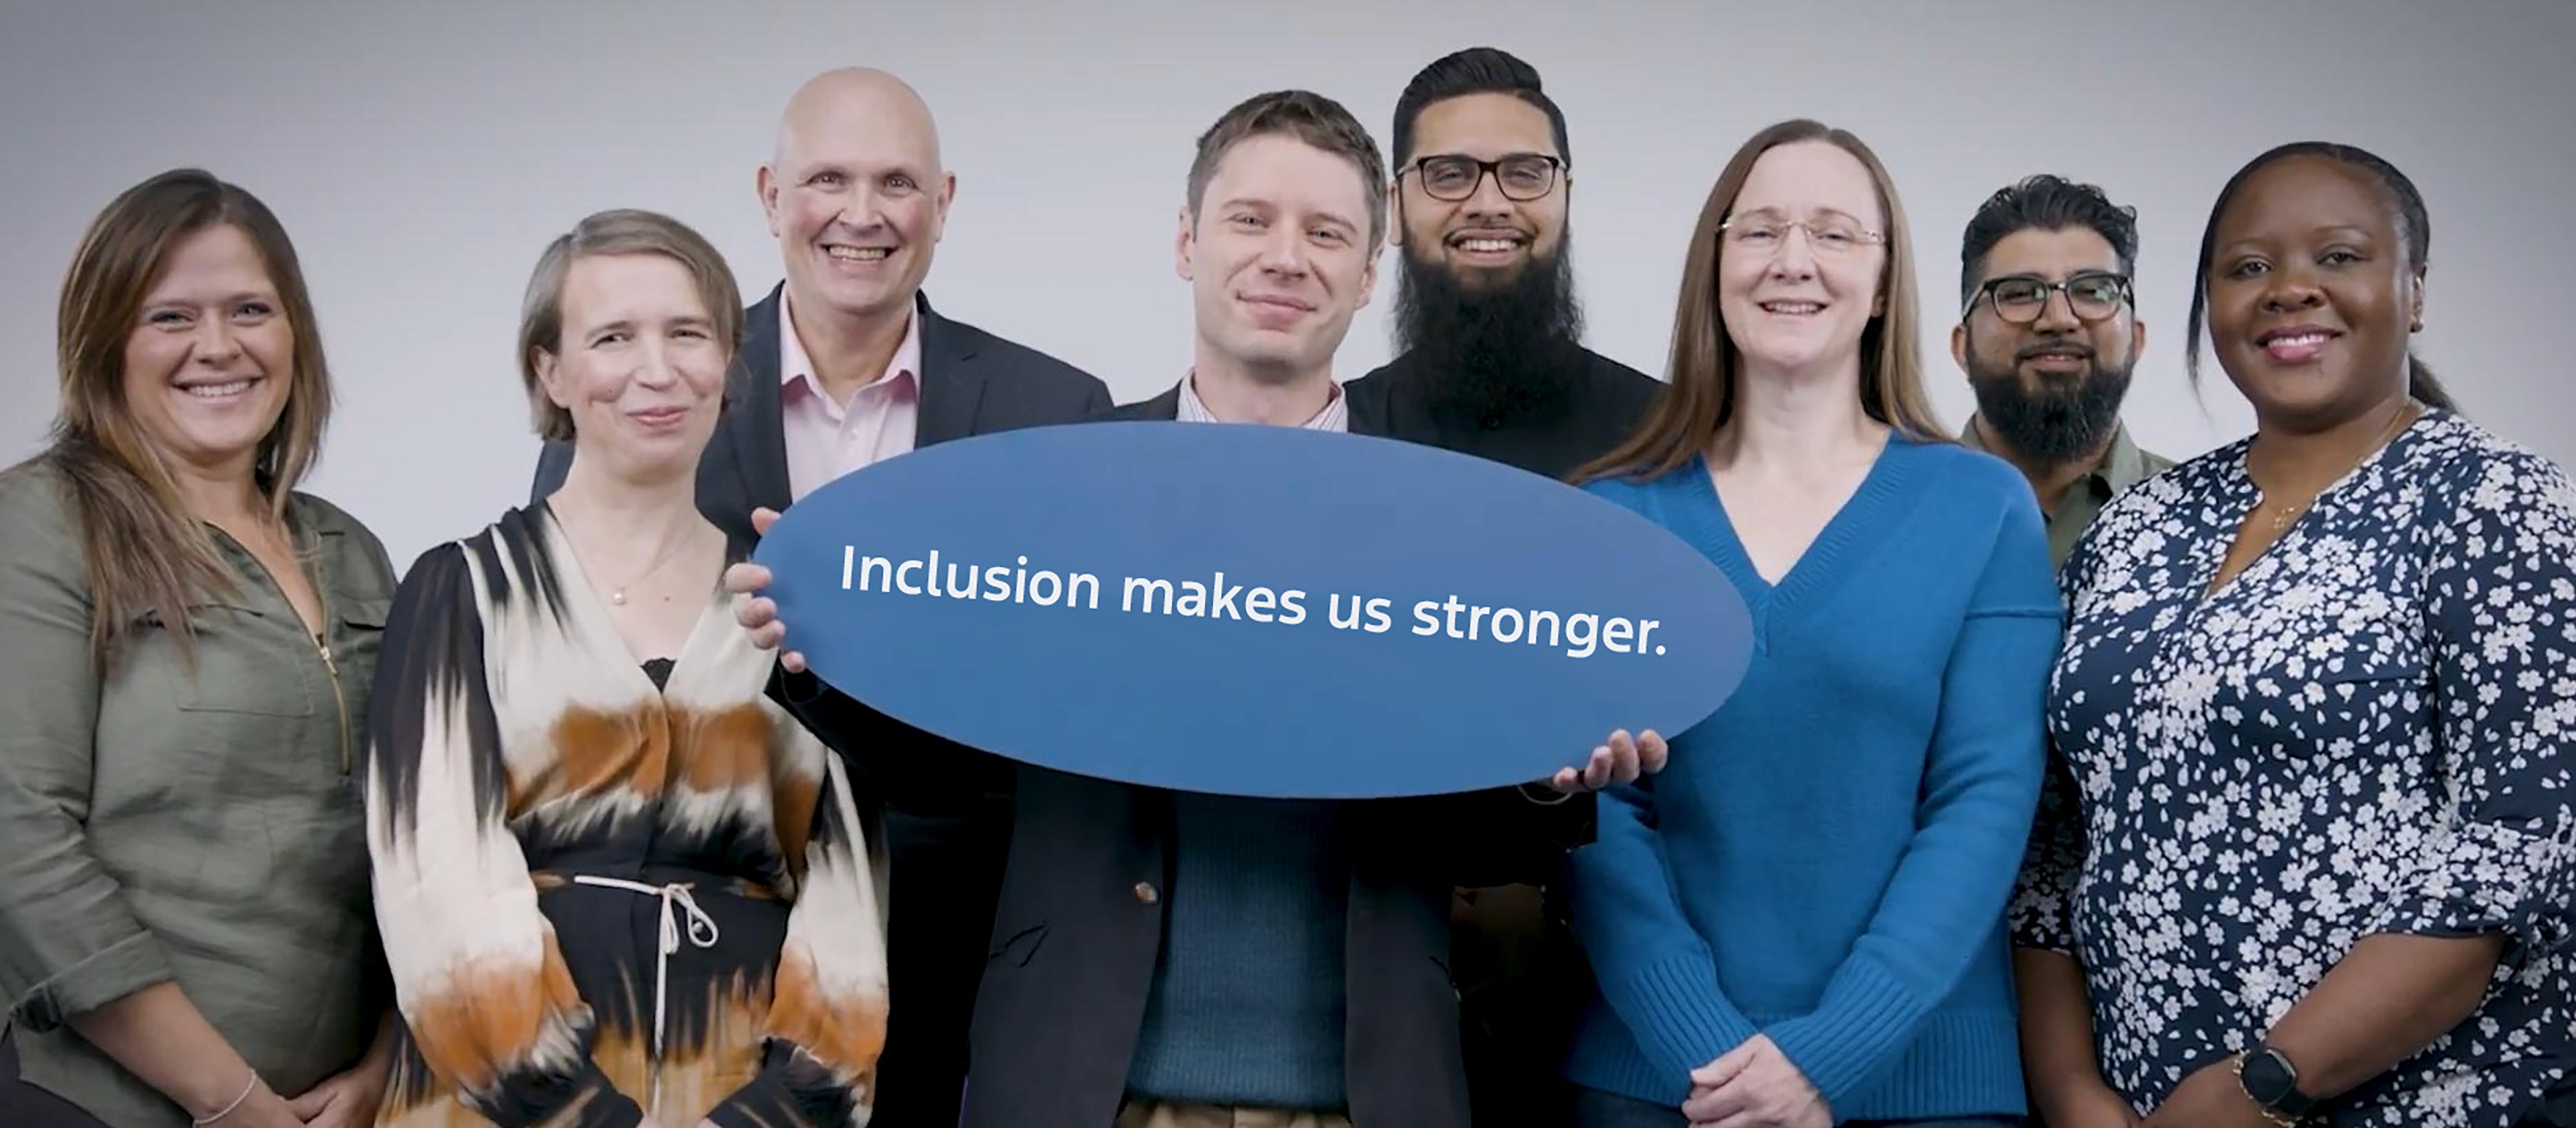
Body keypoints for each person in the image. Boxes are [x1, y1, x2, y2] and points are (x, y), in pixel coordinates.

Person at [725, 88, 1660, 1128]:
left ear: (1368, 269)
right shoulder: (1055, 485)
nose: (1284, 257)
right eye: (1250, 220)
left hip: (1366, 1091)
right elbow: (962, 771)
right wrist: (826, 654)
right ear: (1187, 240)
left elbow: (1471, 834)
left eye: (1326, 232)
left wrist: (1546, 777)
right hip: (1081, 1081)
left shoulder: (1450, 523)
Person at [525, 67, 1111, 1127]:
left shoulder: (1058, 413)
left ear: (943, 203)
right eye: (828, 178)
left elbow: (1068, 707)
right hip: (699, 940)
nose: (861, 214)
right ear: (768, 194)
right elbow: (568, 672)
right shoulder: (653, 388)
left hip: (961, 949)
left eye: (896, 182)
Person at [2010, 142, 2576, 1128]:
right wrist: (2070, 1094)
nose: (2290, 290)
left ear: (2416, 292)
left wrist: (2258, 1089)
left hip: (2416, 1106)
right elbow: (2057, 848)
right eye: (2249, 268)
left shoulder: (2499, 505)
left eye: (2340, 256)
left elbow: (2511, 856)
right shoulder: (2137, 525)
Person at [1561, 120, 2058, 1128]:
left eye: (1835, 234)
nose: (1794, 261)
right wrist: (1706, 1053)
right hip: (1658, 1090)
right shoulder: (1614, 520)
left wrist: (1829, 1056)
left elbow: (1984, 798)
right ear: (1716, 266)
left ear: (1884, 285)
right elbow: (1599, 815)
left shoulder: (1983, 506)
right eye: (1761, 233)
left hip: (1923, 1089)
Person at [368, 209, 888, 1128]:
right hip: (494, 1102)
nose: (658, 370)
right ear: (552, 371)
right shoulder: (462, 591)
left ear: (728, 360)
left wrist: (775, 1115)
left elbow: (850, 898)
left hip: (737, 1093)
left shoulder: (797, 606)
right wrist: (582, 1114)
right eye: (613, 337)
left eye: (688, 333)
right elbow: (432, 880)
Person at [0, 168, 400, 1128]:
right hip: (97, 1104)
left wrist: (390, 1058)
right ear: (106, 345)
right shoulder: (41, 527)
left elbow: (412, 835)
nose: (217, 347)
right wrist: (231, 1103)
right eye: (170, 317)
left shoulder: (351, 551)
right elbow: (20, 839)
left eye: (250, 309)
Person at [1335, 44, 1666, 1127]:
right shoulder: (1336, 430)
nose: (1490, 202)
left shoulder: (1662, 436)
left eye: (1525, 172)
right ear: (1397, 202)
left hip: (1624, 996)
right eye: (1450, 173)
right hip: (1365, 972)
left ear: (1566, 195)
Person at [1950, 174, 2176, 567]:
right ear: (1962, 346)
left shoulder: (2209, 521)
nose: (2059, 319)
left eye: (2093, 290)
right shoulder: (1883, 513)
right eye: (2019, 293)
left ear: (2136, 340)